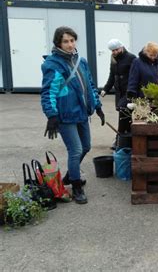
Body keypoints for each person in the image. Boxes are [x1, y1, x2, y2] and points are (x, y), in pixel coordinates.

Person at [41, 26, 105, 205]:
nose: (70, 44)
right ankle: (76, 187)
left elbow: (90, 85)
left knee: (86, 146)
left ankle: (70, 175)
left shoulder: (81, 61)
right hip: (65, 115)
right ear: (58, 43)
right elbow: (48, 92)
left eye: (72, 40)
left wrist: (97, 106)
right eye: (65, 41)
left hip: (82, 113)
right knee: (75, 150)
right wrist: (52, 115)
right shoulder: (52, 64)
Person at [100, 39, 136, 143]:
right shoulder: (113, 59)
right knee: (126, 116)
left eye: (116, 49)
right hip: (119, 92)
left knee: (123, 113)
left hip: (129, 91)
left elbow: (136, 75)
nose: (114, 52)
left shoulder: (131, 58)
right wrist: (106, 89)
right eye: (112, 50)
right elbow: (112, 75)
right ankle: (128, 139)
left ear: (121, 47)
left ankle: (119, 139)